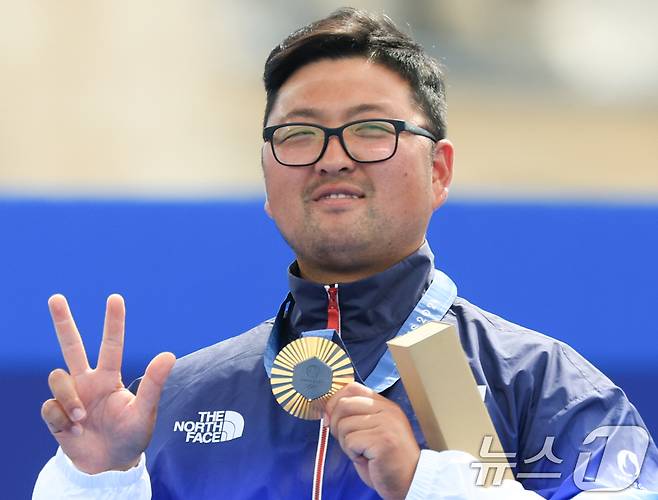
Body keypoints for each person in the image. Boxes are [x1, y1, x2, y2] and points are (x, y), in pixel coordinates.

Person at [34, 7, 658, 500]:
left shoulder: (543, 387)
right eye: (299, 134)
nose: (333, 156)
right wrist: (98, 480)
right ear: (266, 180)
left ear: (439, 171)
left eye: (370, 130)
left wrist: (426, 483)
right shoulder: (177, 401)